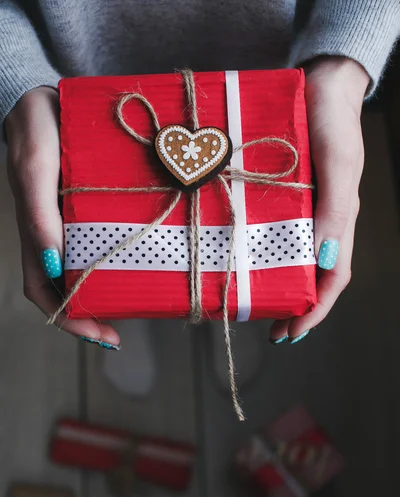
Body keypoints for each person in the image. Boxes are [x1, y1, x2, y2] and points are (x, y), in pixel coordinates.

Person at [1, 1, 399, 349]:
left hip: (270, 83)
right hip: (70, 86)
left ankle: (225, 301)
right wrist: (17, 81)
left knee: (221, 282)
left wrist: (341, 72)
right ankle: (143, 302)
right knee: (113, 276)